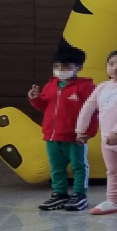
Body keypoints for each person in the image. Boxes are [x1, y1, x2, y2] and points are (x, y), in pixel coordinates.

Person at [74, 49, 117, 216]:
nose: (115, 68)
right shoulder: (103, 86)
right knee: (113, 171)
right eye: (111, 64)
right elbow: (88, 108)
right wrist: (80, 130)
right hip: (106, 137)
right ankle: (113, 200)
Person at [28, 45, 97, 211]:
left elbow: (94, 112)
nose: (60, 70)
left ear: (78, 67)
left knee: (79, 166)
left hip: (75, 137)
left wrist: (88, 132)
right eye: (56, 66)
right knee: (56, 167)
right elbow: (46, 107)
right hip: (52, 135)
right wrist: (35, 99)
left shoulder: (86, 87)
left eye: (65, 66)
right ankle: (59, 194)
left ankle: (79, 195)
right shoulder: (51, 85)